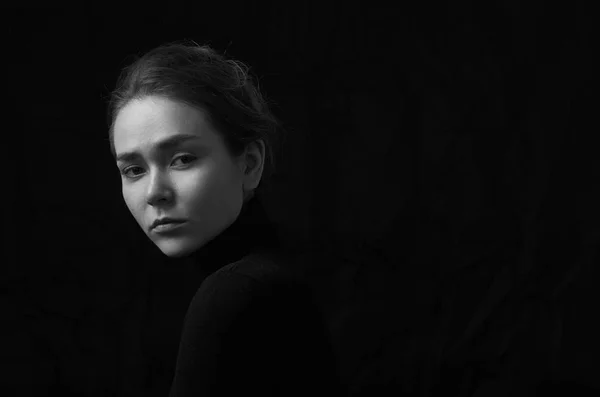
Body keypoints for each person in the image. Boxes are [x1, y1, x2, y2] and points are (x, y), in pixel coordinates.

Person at [106, 40, 344, 396]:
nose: (155, 192)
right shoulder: (264, 282)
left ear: (249, 164)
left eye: (182, 159)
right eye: (134, 169)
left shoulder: (236, 292)